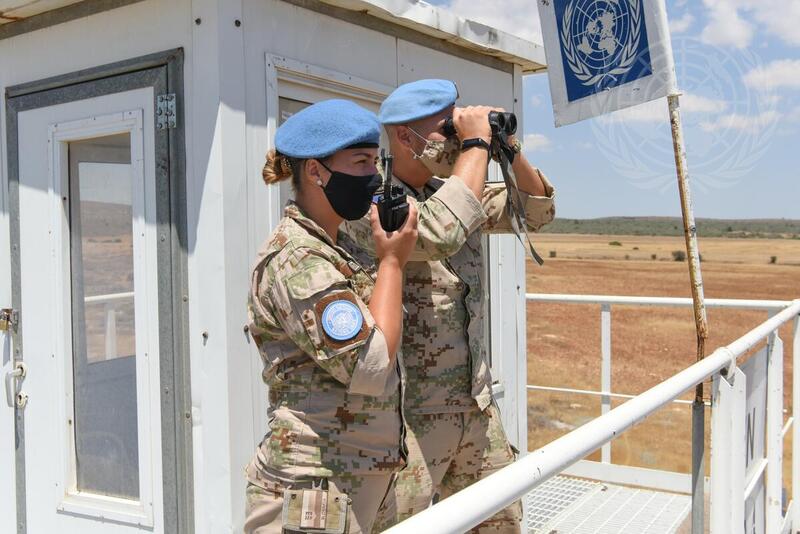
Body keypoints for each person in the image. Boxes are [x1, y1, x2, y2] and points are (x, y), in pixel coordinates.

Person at [342, 79, 556, 532]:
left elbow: (537, 210)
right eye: (446, 130)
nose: (456, 140)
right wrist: (476, 145)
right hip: (408, 418)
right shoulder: (373, 202)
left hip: (474, 404)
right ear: (404, 137)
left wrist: (506, 147)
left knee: (502, 523)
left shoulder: (459, 187)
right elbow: (440, 231)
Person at [243, 99, 418, 534]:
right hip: (313, 491)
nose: (374, 177)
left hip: (355, 481)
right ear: (317, 172)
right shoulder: (298, 260)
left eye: (375, 162)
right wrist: (393, 263)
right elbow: (370, 364)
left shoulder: (339, 247)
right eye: (360, 163)